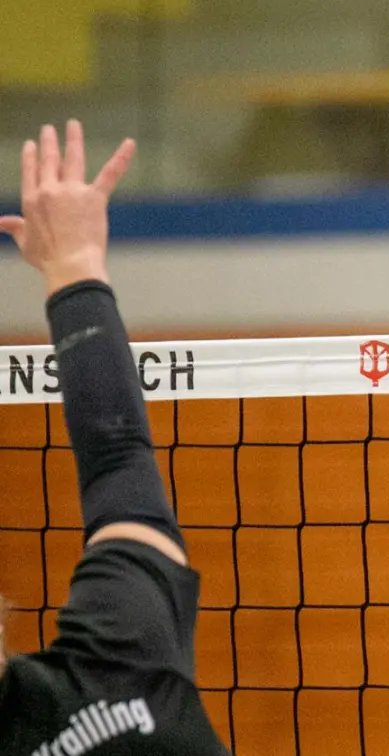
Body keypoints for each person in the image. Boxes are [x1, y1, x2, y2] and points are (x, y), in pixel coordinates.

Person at [0, 122, 231, 755]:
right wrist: (73, 265)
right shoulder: (117, 659)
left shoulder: (116, 655)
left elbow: (117, 460)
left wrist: (73, 269)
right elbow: (117, 460)